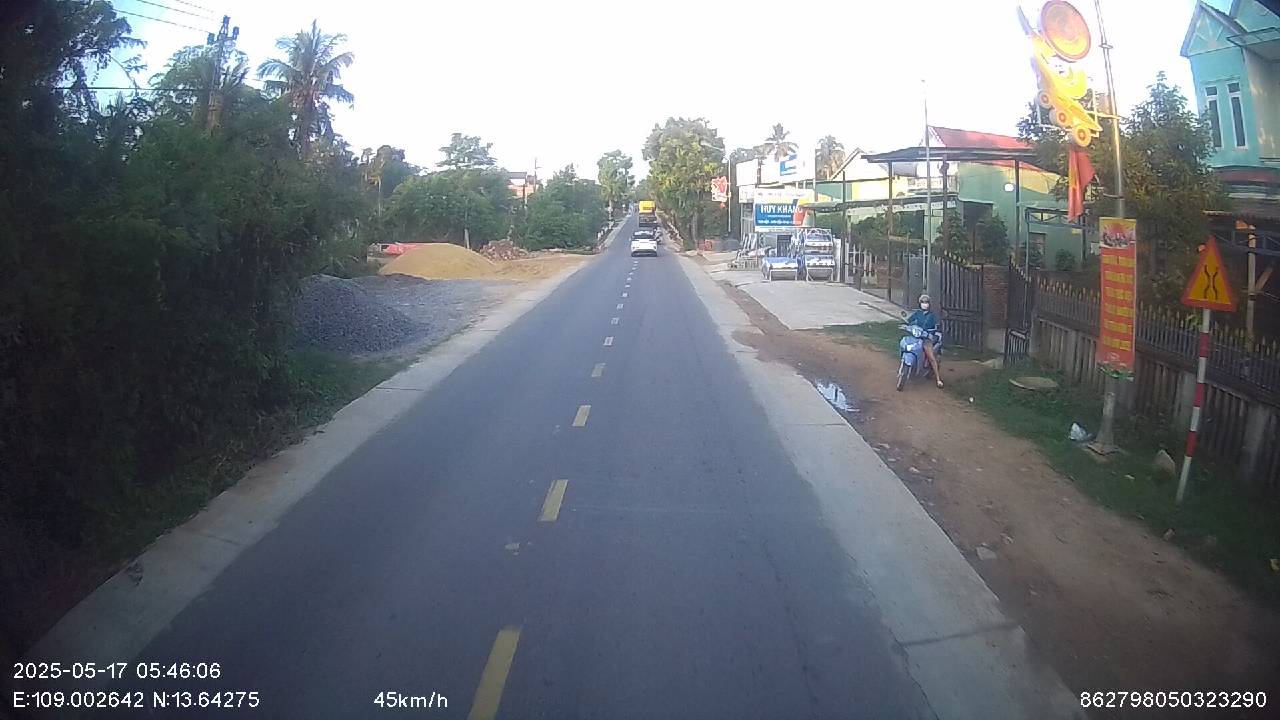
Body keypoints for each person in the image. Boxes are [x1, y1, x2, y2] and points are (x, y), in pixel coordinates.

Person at [905, 294, 944, 388]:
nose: (924, 304)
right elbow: (909, 321)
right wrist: (906, 325)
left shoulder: (931, 316)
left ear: (929, 304)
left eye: (926, 302)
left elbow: (936, 326)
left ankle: (938, 379)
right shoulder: (917, 313)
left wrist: (932, 331)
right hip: (917, 337)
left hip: (926, 338)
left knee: (931, 357)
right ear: (920, 303)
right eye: (922, 302)